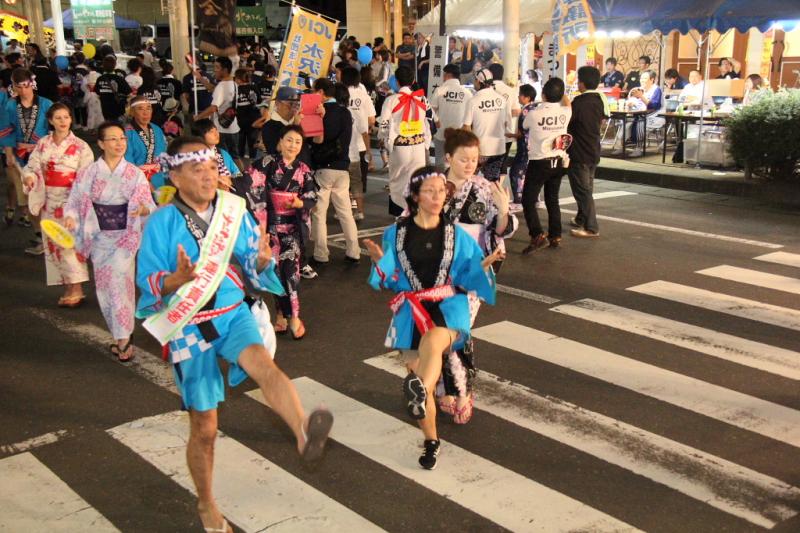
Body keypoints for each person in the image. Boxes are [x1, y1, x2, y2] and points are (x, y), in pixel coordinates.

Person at [135, 136, 333, 532]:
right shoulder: (161, 222)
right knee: (205, 427)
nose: (208, 176)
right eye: (197, 169)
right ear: (174, 175)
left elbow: (251, 259)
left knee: (266, 367)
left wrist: (260, 260)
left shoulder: (233, 209)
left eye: (212, 168)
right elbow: (147, 279)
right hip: (188, 323)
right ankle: (207, 505)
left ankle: (302, 431)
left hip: (230, 310)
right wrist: (173, 280)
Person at [363, 166, 501, 469]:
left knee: (433, 342)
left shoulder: (457, 234)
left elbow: (468, 275)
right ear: (415, 196)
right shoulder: (395, 234)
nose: (438, 196)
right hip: (410, 311)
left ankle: (422, 388)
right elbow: (389, 280)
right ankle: (431, 440)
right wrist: (380, 263)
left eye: (442, 190)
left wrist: (485, 266)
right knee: (419, 371)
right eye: (430, 191)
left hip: (449, 308)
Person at [439, 129, 515, 421]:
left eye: (474, 159)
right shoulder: (433, 186)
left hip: (473, 268)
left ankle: (462, 392)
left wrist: (504, 209)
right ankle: (444, 387)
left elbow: (498, 229)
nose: (470, 165)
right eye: (463, 159)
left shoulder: (484, 188)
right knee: (440, 332)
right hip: (439, 269)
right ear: (448, 158)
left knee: (459, 331)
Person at [63, 121, 155, 360]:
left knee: (120, 285)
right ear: (101, 144)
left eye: (122, 138)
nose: (119, 143)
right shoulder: (89, 173)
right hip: (99, 236)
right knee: (105, 288)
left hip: (125, 237)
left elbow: (147, 203)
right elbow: (74, 202)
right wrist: (72, 218)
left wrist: (143, 210)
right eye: (113, 139)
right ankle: (119, 334)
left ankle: (124, 338)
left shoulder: (134, 174)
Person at [236, 125, 317, 339]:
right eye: (289, 140)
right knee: (275, 272)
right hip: (269, 228)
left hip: (292, 228)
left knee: (290, 272)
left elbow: (312, 197)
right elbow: (247, 183)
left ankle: (294, 317)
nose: (292, 145)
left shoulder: (304, 170)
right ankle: (280, 314)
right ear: (280, 142)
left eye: (297, 142)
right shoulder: (266, 163)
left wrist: (301, 202)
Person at [21, 103, 94, 306]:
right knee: (54, 244)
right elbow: (32, 165)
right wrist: (29, 177)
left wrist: (77, 203)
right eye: (58, 118)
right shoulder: (43, 143)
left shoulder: (81, 146)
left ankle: (77, 288)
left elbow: (86, 177)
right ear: (51, 121)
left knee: (69, 243)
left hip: (70, 199)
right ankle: (68, 286)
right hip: (48, 198)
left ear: (71, 119)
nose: (63, 121)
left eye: (67, 117)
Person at [1, 68, 53, 251]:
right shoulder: (9, 105)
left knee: (47, 198)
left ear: (32, 83)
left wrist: (39, 146)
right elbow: (7, 129)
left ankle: (51, 235)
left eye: (26, 86)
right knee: (27, 199)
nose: (23, 90)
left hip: (43, 157)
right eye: (18, 86)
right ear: (13, 87)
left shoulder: (46, 104)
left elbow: (53, 131)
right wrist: (8, 153)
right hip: (19, 158)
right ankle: (40, 235)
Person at [309, 78, 360, 264]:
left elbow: (317, 141)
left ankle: (321, 254)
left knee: (319, 213)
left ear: (321, 92)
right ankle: (354, 251)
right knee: (346, 212)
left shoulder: (318, 113)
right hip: (343, 168)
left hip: (324, 168)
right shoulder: (345, 112)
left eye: (315, 91)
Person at [520, 78, 572, 253]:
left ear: (543, 93)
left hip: (539, 161)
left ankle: (537, 235)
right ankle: (555, 235)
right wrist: (560, 93)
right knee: (552, 199)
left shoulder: (534, 114)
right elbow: (566, 102)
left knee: (528, 199)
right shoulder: (566, 112)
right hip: (559, 161)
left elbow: (524, 126)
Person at [378, 66, 431, 215]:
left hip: (400, 146)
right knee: (416, 181)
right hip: (419, 145)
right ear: (413, 80)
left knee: (397, 181)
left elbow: (384, 124)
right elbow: (427, 122)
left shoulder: (391, 100)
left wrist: (383, 138)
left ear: (397, 81)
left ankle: (400, 214)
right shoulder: (420, 98)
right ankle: (415, 213)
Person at [567, 66, 608, 239]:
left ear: (582, 83)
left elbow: (568, 124)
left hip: (580, 151)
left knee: (582, 190)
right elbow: (604, 119)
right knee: (587, 186)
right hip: (593, 149)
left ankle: (591, 227)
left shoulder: (578, 103)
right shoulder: (600, 99)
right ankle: (581, 218)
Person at [463, 68, 511, 182]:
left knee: (467, 181)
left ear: (479, 82)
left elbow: (466, 127)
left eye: (475, 80)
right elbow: (506, 123)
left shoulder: (473, 101)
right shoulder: (501, 99)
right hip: (498, 149)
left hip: (480, 150)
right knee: (492, 184)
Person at [194, 57, 240, 169]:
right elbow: (212, 89)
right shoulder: (234, 84)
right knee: (235, 157)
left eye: (217, 67)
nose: (214, 70)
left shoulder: (221, 86)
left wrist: (198, 117)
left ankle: (229, 179)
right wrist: (200, 78)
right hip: (233, 127)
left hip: (221, 130)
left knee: (222, 158)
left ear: (225, 70)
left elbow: (213, 108)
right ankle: (241, 178)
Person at [342, 66, 376, 220]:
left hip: (343, 145)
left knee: (344, 180)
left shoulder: (340, 94)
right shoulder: (364, 95)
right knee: (358, 179)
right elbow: (371, 120)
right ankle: (358, 210)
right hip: (361, 143)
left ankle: (346, 208)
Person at [429, 64, 472, 166]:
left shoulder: (440, 90)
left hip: (441, 132)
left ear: (448, 75)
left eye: (444, 74)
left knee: (440, 161)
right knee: (457, 162)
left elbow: (431, 111)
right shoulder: (467, 93)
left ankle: (440, 180)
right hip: (459, 134)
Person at [124, 96, 168, 188]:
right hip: (137, 179)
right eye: (140, 109)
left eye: (148, 108)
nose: (146, 113)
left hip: (158, 177)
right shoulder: (127, 132)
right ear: (132, 112)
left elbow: (163, 152)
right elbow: (127, 160)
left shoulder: (156, 129)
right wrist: (141, 181)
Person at [508, 84, 537, 207]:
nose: (518, 96)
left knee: (516, 172)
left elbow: (521, 133)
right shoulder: (536, 108)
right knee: (530, 173)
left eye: (520, 94)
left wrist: (510, 135)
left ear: (527, 97)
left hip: (524, 147)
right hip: (534, 147)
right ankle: (535, 198)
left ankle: (518, 199)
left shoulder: (525, 111)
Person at [191, 118, 241, 190]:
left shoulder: (223, 153)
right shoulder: (193, 158)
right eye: (211, 131)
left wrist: (230, 181)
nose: (216, 133)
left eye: (216, 129)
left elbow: (237, 174)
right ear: (200, 137)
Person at [488, 63, 521, 168]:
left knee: (488, 162)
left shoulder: (486, 89)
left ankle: (489, 183)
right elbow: (516, 111)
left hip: (488, 131)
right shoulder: (511, 91)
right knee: (502, 162)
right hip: (506, 132)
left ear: (490, 74)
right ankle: (498, 183)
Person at [233, 69, 260, 161]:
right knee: (252, 140)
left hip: (240, 119)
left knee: (240, 140)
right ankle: (253, 159)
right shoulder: (254, 87)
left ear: (239, 79)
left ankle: (240, 158)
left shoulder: (235, 89)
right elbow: (259, 101)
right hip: (253, 119)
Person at [96, 55, 132, 121]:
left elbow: (97, 93)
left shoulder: (100, 79)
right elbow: (129, 93)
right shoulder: (119, 79)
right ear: (115, 65)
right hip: (118, 110)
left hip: (105, 109)